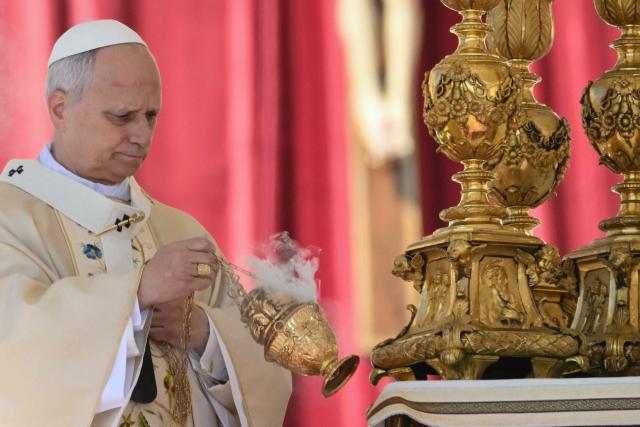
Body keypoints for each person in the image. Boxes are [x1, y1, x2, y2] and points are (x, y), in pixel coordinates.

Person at [0, 19, 291, 427]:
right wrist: (136, 296)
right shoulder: (10, 219)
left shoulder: (178, 230)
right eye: (122, 116)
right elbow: (13, 354)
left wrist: (206, 335)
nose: (142, 135)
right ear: (60, 108)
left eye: (151, 115)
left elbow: (267, 370)